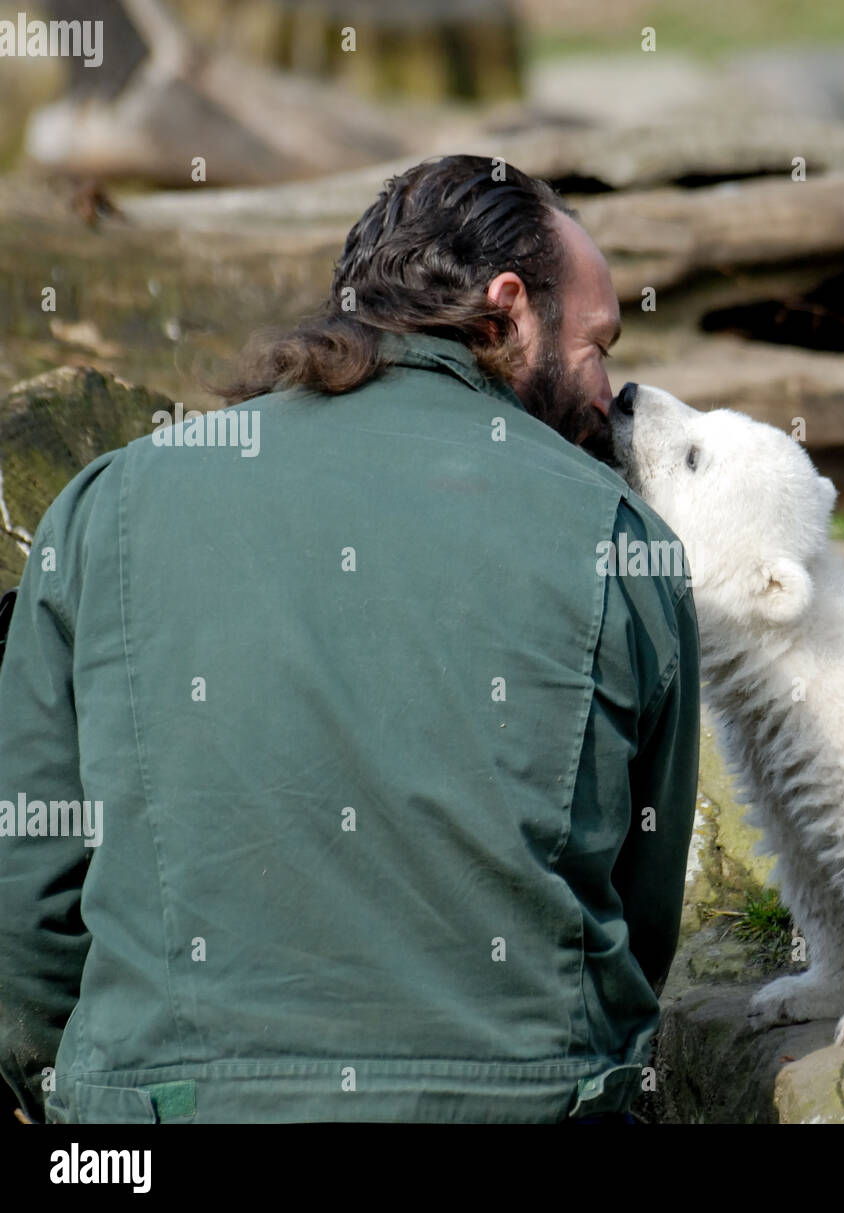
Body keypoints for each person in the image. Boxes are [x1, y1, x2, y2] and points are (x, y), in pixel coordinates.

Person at [0, 155, 700, 1124]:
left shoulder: (108, 505)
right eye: (598, 345)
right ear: (507, 310)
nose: (607, 393)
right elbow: (638, 920)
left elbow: (29, 908)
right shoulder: (621, 541)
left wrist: (77, 1088)